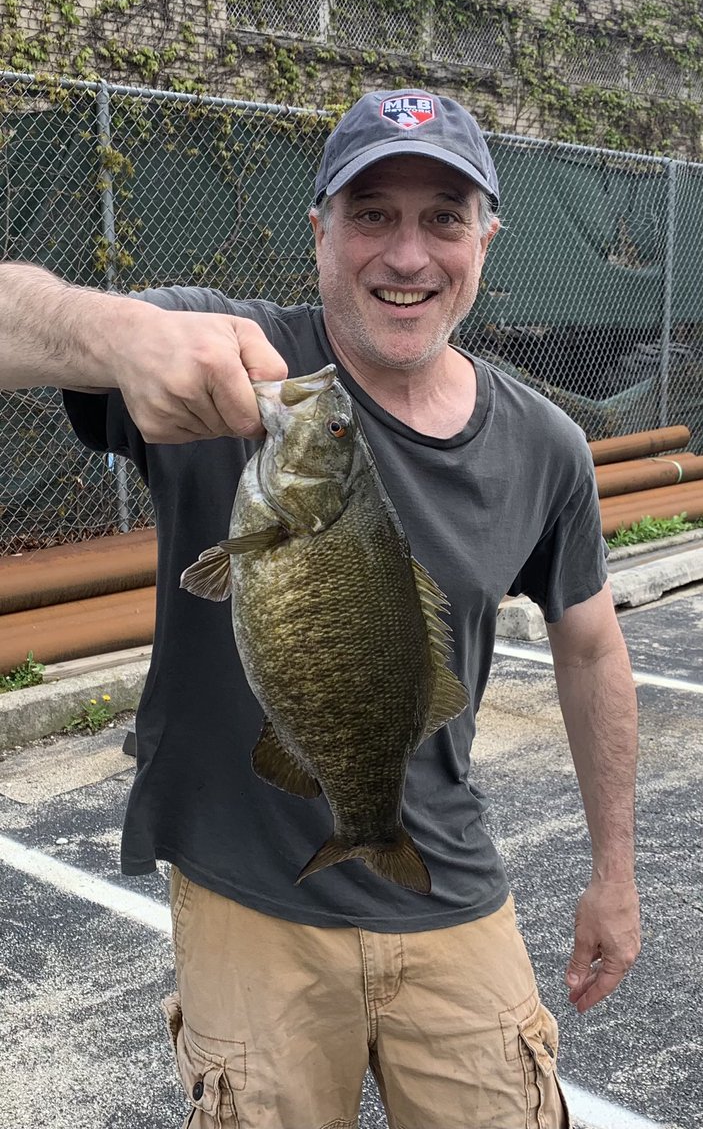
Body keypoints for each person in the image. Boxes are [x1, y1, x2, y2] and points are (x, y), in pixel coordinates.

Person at [0, 88, 640, 1129]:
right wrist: (113, 333)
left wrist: (614, 874)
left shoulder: (544, 446)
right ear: (320, 230)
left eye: (443, 217)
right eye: (371, 213)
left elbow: (593, 652)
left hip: (447, 882)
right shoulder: (224, 357)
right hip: (246, 900)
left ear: (485, 237)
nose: (406, 254)